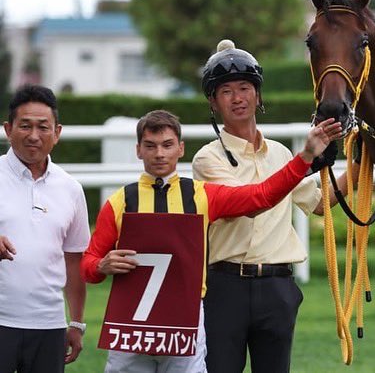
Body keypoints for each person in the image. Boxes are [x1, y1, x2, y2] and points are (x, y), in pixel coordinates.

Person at [80, 109, 340, 373]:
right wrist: (101, 265)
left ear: (180, 149)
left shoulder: (202, 195)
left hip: (185, 322)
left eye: (167, 145)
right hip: (132, 326)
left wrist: (306, 157)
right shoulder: (118, 202)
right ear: (138, 150)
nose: (159, 154)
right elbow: (87, 265)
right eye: (150, 146)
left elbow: (261, 196)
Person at [193, 40, 358, 373]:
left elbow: (319, 206)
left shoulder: (282, 155)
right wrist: (305, 159)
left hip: (277, 288)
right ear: (213, 102)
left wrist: (358, 163)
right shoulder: (207, 158)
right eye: (226, 91)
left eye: (244, 88)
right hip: (226, 287)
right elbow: (251, 202)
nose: (238, 98)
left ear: (258, 94)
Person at [0, 84, 90, 373]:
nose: (34, 136)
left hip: (50, 326)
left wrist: (75, 322)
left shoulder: (71, 188)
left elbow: (74, 261)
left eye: (43, 127)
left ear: (58, 132)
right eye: (25, 126)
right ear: (8, 129)